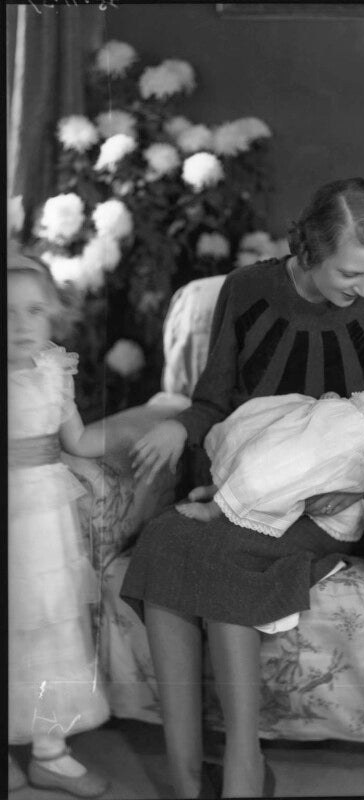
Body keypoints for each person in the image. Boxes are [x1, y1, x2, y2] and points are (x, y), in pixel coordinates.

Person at [122, 177, 364, 799]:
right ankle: (186, 777)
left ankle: (243, 762)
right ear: (310, 248)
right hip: (242, 483)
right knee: (164, 540)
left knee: (222, 553)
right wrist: (179, 427)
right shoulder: (245, 290)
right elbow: (211, 400)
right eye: (351, 273)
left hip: (320, 506)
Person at [7, 249, 111, 798]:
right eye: (6, 312)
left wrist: (137, 432)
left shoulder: (54, 371)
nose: (20, 324)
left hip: (46, 522)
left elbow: (78, 439)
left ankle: (50, 750)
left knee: (51, 625)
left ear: (52, 316)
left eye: (34, 311)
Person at [176, 366, 364, 542]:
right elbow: (351, 409)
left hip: (326, 460)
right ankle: (219, 488)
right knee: (256, 443)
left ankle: (214, 510)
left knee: (271, 474)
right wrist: (333, 402)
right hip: (307, 431)